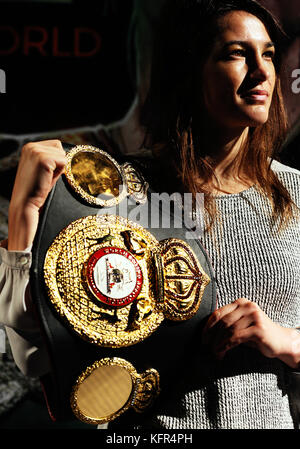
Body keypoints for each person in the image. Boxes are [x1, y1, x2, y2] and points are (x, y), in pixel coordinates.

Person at [0, 0, 300, 429]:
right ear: (190, 71)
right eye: (236, 53)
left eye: (268, 54)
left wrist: (285, 340)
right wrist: (24, 212)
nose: (262, 71)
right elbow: (34, 355)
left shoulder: (296, 193)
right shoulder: (119, 189)